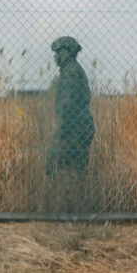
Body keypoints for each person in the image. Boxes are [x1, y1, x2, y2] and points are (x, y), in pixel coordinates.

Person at [47, 36, 94, 173]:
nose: (55, 57)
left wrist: (60, 133)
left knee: (56, 168)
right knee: (74, 170)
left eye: (58, 52)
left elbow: (66, 106)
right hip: (77, 127)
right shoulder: (72, 70)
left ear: (67, 51)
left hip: (73, 128)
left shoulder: (70, 72)